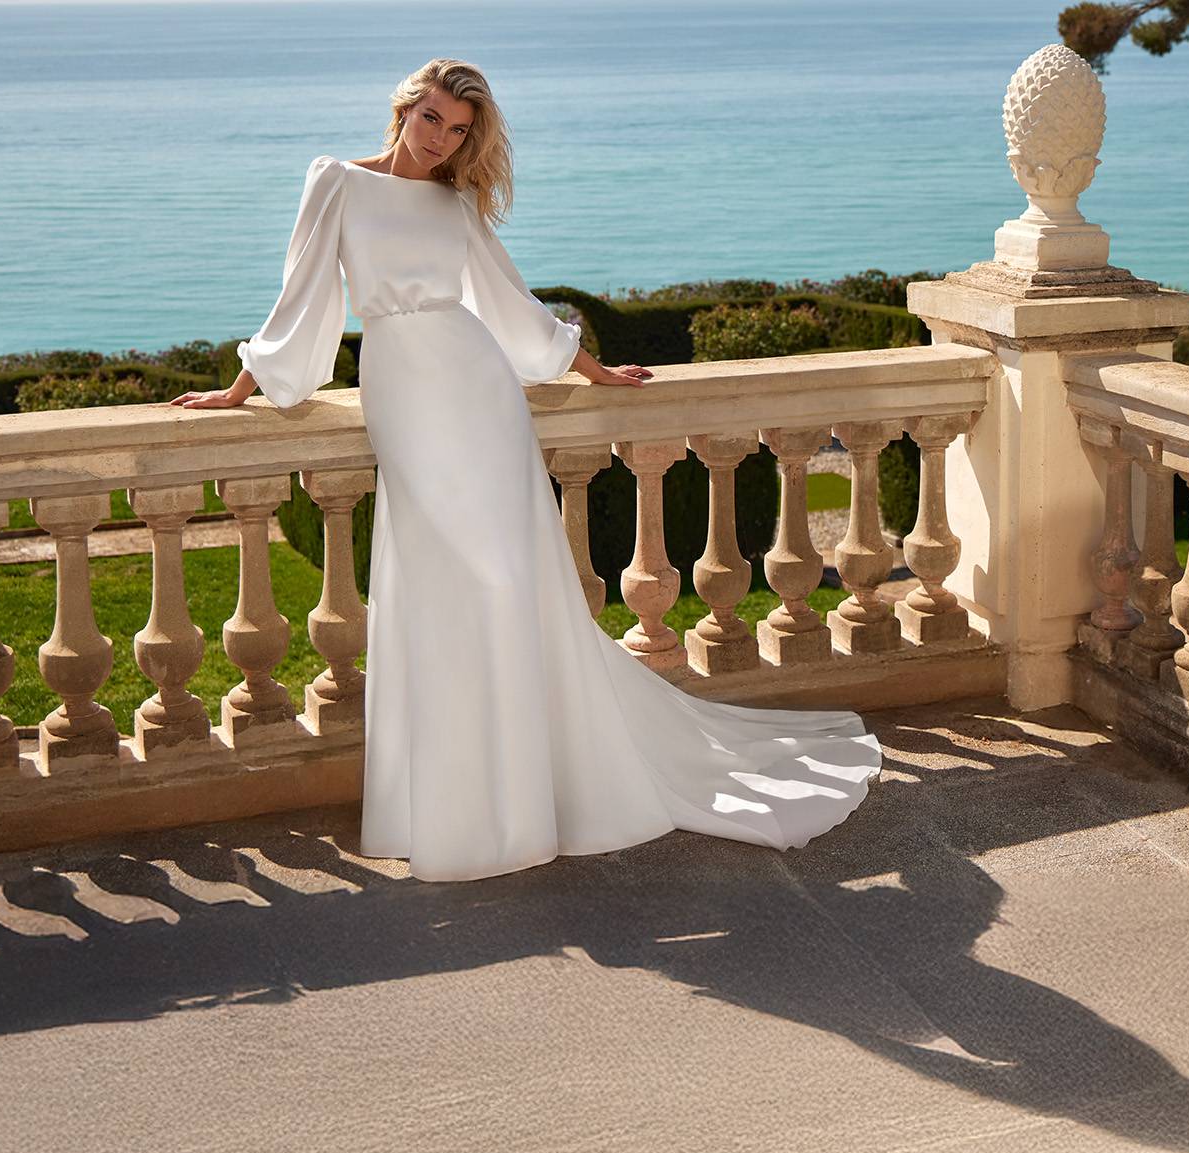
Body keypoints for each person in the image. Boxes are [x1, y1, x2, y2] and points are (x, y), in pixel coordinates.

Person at [171, 57, 883, 884]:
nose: (440, 140)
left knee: (509, 577)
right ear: (403, 109)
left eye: (458, 130)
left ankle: (523, 788)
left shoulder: (455, 203)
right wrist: (240, 389)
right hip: (402, 387)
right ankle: (454, 798)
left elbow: (506, 300)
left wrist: (594, 370)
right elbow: (299, 299)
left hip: (478, 389)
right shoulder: (336, 181)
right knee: (444, 581)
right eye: (431, 119)